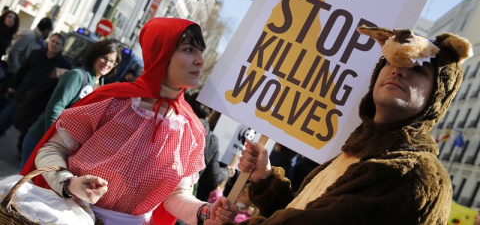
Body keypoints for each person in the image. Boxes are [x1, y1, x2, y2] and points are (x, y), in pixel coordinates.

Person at [231, 26, 473, 225]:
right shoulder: (355, 153)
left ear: (437, 96)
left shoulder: (413, 172)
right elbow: (303, 209)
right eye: (391, 62)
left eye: (417, 68)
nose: (398, 71)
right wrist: (265, 180)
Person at [21, 18, 237, 225]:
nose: (200, 59)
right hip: (68, 216)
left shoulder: (191, 130)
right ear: (161, 53)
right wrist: (69, 183)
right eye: (189, 49)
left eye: (200, 51)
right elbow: (53, 149)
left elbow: (176, 195)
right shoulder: (112, 101)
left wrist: (205, 211)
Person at [20, 39, 121, 166]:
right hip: (43, 139)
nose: (107, 63)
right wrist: (53, 141)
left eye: (112, 61)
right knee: (24, 183)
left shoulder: (100, 84)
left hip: (64, 149)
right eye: (104, 58)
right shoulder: (77, 75)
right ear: (95, 56)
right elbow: (55, 108)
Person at [0, 33, 71, 138]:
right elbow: (22, 70)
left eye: (58, 43)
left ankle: (21, 151)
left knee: (27, 128)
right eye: (53, 41)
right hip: (22, 93)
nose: (54, 45)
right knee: (6, 117)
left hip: (39, 101)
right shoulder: (36, 54)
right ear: (49, 42)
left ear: (62, 47)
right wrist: (12, 86)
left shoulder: (64, 64)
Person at [185, 91, 235, 202]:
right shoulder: (211, 139)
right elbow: (213, 176)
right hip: (185, 192)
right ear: (210, 112)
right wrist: (227, 172)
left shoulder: (174, 120)